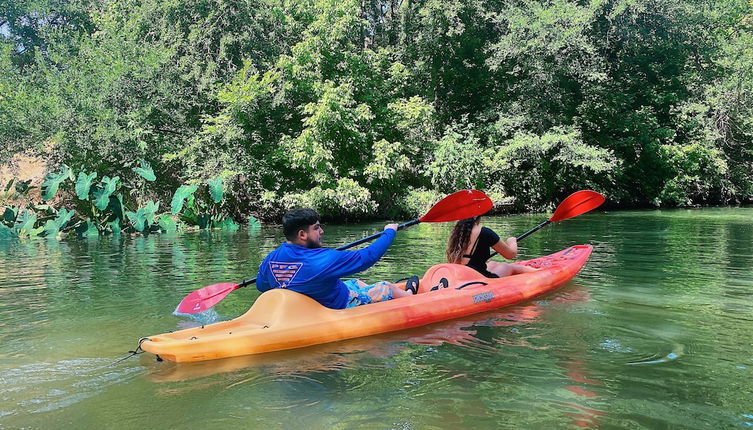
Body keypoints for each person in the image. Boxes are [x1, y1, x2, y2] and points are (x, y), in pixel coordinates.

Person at [256, 208, 417, 309]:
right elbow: (368, 257)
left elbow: (262, 286)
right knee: (385, 287)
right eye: (317, 228)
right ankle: (409, 296)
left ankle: (379, 301)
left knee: (357, 282)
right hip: (338, 305)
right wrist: (389, 232)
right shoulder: (322, 260)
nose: (322, 232)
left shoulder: (270, 260)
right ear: (302, 234)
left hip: (320, 300)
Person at [446, 216, 538, 278]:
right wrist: (512, 241)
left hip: (462, 277)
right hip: (479, 280)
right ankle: (541, 272)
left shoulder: (457, 232)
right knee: (507, 267)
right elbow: (511, 255)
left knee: (492, 263)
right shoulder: (485, 232)